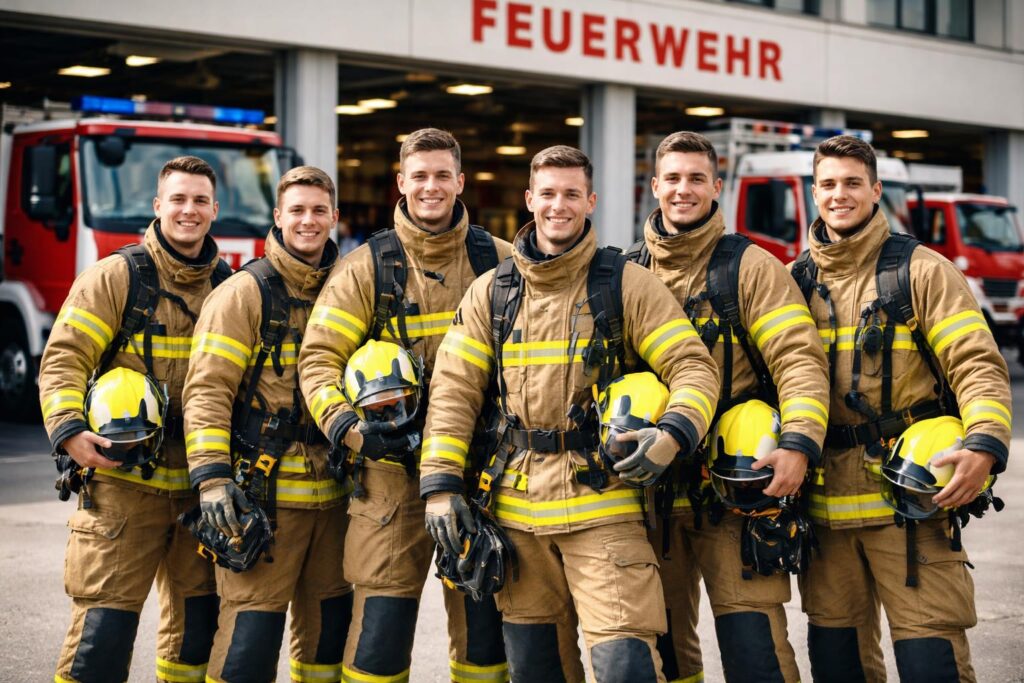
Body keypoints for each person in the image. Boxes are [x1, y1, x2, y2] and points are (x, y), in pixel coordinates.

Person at [420, 145, 722, 682]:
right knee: (536, 668)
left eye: (571, 194)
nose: (558, 205)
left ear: (591, 202)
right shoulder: (492, 293)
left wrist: (673, 434)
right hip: (516, 514)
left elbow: (693, 367)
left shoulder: (625, 283)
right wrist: (441, 486)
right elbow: (453, 392)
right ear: (529, 199)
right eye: (548, 194)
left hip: (604, 507)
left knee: (626, 665)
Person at [298, 129, 515, 683]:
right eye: (419, 176)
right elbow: (318, 362)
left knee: (486, 640)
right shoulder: (364, 268)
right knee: (380, 637)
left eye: (442, 175)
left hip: (480, 475)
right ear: (401, 182)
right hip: (389, 479)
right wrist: (353, 432)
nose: (430, 186)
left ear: (460, 182)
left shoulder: (501, 261)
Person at [792, 135, 1012, 681]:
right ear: (813, 193)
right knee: (837, 663)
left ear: (876, 190)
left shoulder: (922, 271)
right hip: (825, 512)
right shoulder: (795, 282)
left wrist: (985, 442)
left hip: (911, 507)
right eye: (828, 184)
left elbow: (977, 364)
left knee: (930, 660)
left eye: (852, 183)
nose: (839, 195)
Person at [629, 131, 830, 683]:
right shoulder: (625, 271)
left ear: (717, 186)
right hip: (653, 488)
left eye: (697, 178)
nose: (684, 190)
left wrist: (798, 443)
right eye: (673, 178)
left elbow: (798, 359)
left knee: (753, 645)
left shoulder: (751, 267)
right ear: (655, 186)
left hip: (737, 485)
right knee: (663, 644)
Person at [40, 156, 227, 683]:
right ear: (158, 206)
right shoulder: (115, 277)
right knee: (103, 631)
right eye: (178, 199)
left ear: (214, 209)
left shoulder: (230, 287)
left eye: (199, 201)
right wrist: (68, 431)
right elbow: (64, 358)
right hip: (123, 483)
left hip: (198, 488)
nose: (188, 210)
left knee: (196, 633)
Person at [183, 166, 352, 681]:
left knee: (328, 636)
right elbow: (207, 390)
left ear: (334, 217)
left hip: (337, 497)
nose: (308, 220)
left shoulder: (350, 287)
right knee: (250, 638)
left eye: (319, 210)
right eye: (296, 210)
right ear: (278, 216)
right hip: (264, 498)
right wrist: (212, 479)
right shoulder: (243, 293)